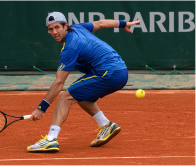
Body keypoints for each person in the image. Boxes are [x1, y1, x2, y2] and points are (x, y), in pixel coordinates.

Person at [27, 12, 141, 152]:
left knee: (66, 96)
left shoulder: (70, 48)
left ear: (65, 26)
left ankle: (51, 139)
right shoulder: (79, 28)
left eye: (57, 27)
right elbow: (100, 24)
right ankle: (106, 125)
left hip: (109, 73)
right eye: (51, 29)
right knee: (80, 95)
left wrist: (41, 109)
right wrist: (123, 24)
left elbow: (58, 83)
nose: (54, 32)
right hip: (120, 70)